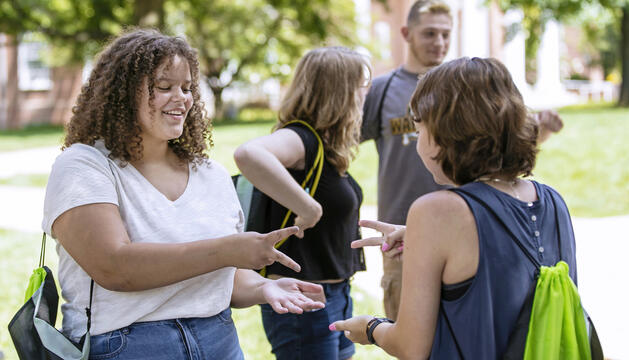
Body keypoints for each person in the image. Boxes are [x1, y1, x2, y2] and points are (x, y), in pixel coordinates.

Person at [42, 29, 325, 359]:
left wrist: (264, 287)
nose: (182, 98)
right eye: (164, 87)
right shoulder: (84, 166)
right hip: (125, 345)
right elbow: (114, 268)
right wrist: (229, 251)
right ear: (122, 93)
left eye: (188, 88)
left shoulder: (211, 175)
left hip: (218, 339)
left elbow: (222, 276)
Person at [331, 57, 580, 358]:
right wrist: (425, 241)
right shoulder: (552, 200)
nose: (419, 140)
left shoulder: (435, 211)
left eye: (419, 129)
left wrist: (370, 328)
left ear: (445, 133)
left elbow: (412, 346)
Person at [360, 0, 563, 321]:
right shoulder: (384, 90)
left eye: (445, 34)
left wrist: (370, 330)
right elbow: (342, 142)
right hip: (403, 233)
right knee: (414, 322)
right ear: (406, 33)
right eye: (429, 34)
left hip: (472, 224)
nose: (439, 42)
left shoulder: (464, 87)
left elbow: (495, 149)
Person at [233, 47, 369, 360]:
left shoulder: (325, 148)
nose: (365, 95)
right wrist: (310, 208)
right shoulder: (301, 138)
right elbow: (247, 154)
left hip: (335, 295)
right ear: (338, 91)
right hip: (302, 301)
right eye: (360, 85)